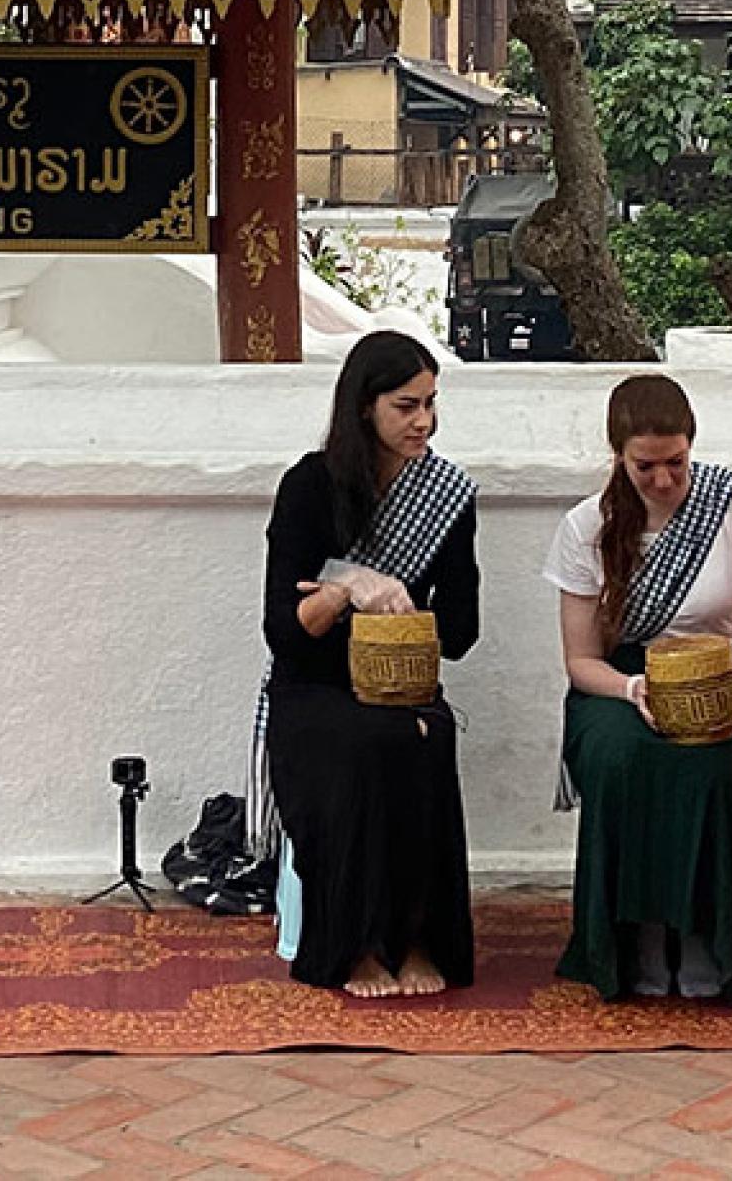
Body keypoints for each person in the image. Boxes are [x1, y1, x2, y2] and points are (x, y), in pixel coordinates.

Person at [546, 373, 732, 1005]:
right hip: (622, 682)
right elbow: (581, 662)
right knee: (620, 758)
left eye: (676, 463)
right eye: (645, 466)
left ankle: (702, 940)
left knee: (715, 766)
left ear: (693, 446)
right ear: (618, 457)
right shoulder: (588, 527)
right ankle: (634, 941)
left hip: (727, 678)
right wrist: (634, 688)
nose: (664, 480)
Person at [259, 329, 481, 998]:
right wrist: (347, 586)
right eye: (405, 405)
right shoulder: (309, 486)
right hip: (313, 689)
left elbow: (463, 631)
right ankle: (352, 945)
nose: (424, 421)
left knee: (422, 733)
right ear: (365, 406)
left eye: (430, 403)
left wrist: (404, 612)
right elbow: (284, 634)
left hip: (402, 685)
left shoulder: (446, 495)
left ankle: (414, 939)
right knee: (366, 740)